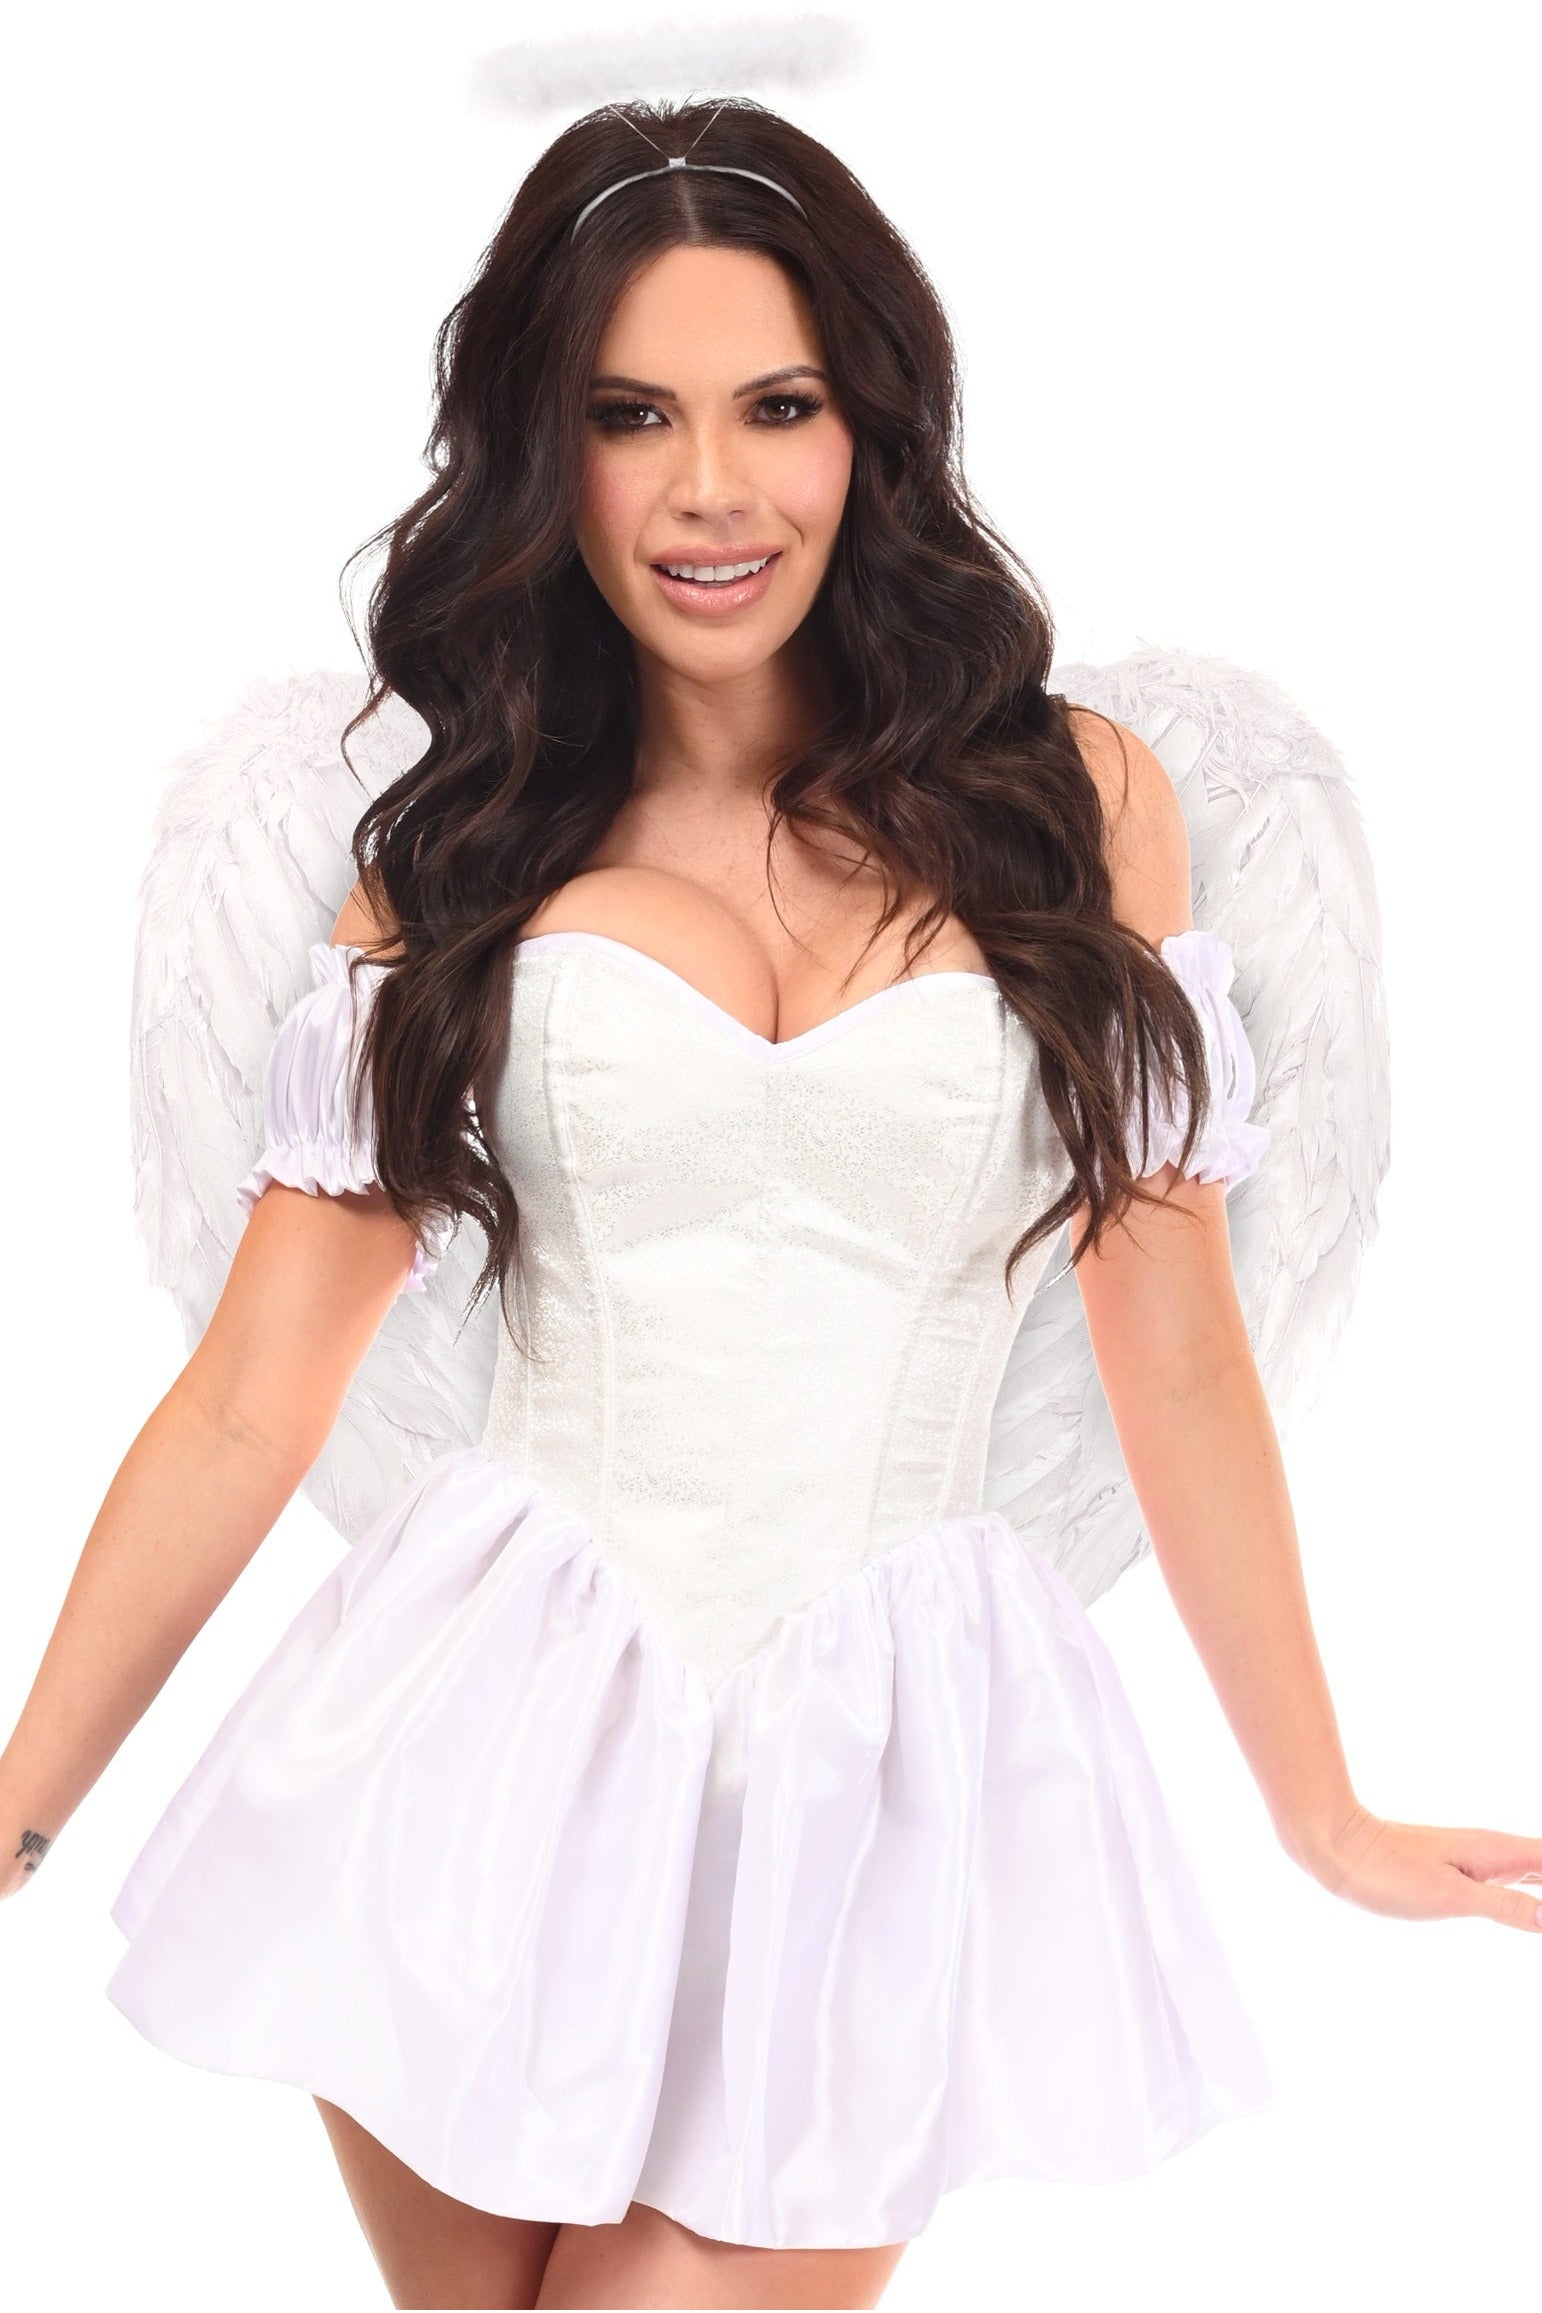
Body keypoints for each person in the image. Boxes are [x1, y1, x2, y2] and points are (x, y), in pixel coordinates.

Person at [4, 93, 1538, 2313]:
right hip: (482, 1756)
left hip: (878, 1770)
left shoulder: (1075, 804)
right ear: (544, 457)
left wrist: (1325, 1811)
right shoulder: (459, 851)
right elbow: (255, 1391)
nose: (711, 487)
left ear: (872, 430)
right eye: (630, 415)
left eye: (778, 406)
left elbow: (1179, 1346)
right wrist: (18, 1814)